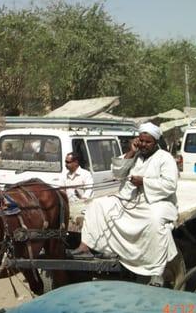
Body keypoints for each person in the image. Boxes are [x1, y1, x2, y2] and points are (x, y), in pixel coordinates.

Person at [70, 122, 179, 287]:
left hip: (156, 202)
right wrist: (130, 152)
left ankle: (157, 272)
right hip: (129, 200)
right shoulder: (134, 155)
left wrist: (144, 181)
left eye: (147, 142)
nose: (143, 144)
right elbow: (117, 172)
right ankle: (86, 246)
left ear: (155, 142)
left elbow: (170, 185)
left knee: (156, 222)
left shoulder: (165, 158)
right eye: (140, 141)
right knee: (97, 205)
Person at [62, 152, 94, 229]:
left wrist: (83, 198)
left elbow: (89, 189)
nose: (66, 164)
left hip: (83, 210)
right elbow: (63, 190)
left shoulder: (86, 174)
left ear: (76, 162)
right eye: (65, 162)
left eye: (68, 162)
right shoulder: (66, 176)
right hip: (70, 209)